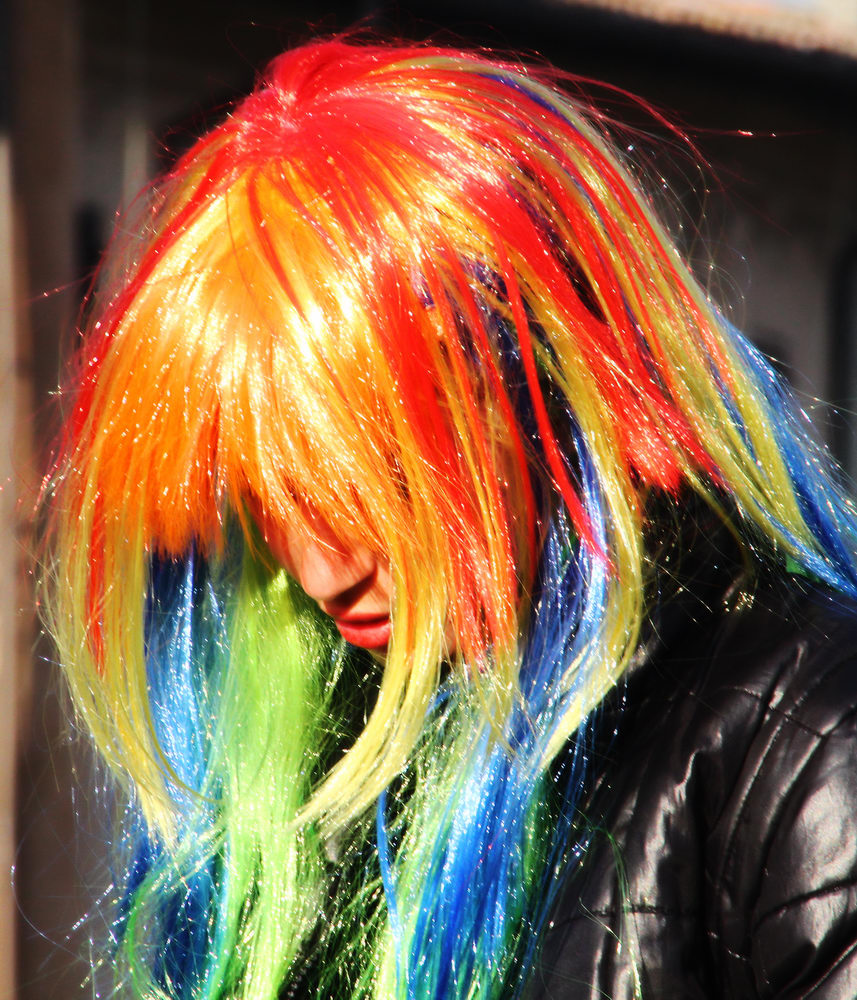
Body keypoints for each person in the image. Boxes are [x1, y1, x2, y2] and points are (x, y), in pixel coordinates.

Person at [43, 37, 857, 1000]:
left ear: (530, 382)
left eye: (365, 487)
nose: (323, 572)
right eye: (263, 506)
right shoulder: (315, 785)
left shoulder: (807, 742)